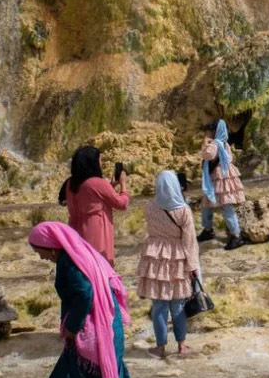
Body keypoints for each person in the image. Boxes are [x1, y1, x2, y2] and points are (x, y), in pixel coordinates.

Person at [28, 222, 160, 378]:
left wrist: (71, 328)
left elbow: (84, 294)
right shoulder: (84, 254)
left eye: (39, 251)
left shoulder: (69, 264)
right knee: (113, 377)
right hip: (109, 329)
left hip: (92, 336)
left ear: (51, 247)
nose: (40, 257)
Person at [138, 171, 200, 359]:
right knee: (178, 305)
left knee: (159, 305)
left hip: (156, 257)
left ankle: (160, 347)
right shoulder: (183, 210)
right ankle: (181, 345)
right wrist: (193, 265)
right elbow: (189, 241)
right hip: (177, 259)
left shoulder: (150, 207)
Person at [64, 146, 129, 266]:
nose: (101, 163)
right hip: (96, 232)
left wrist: (110, 186)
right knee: (99, 267)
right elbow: (122, 204)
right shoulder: (97, 183)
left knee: (83, 268)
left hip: (75, 230)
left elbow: (93, 198)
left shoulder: (70, 182)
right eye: (99, 160)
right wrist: (123, 185)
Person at [197, 119, 246, 250]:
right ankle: (208, 230)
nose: (206, 133)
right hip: (220, 176)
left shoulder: (215, 144)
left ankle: (236, 236)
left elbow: (208, 155)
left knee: (225, 205)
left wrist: (205, 142)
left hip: (219, 178)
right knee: (207, 204)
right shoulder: (224, 143)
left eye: (208, 131)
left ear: (214, 131)